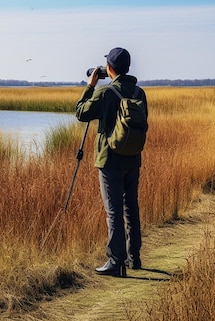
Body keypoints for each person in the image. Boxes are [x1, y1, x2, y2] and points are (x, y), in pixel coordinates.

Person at [75, 47, 147, 277]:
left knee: (113, 211)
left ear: (110, 68)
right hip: (133, 158)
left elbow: (81, 113)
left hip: (109, 160)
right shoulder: (139, 92)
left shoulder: (106, 93)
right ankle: (134, 257)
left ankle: (116, 262)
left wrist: (90, 86)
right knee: (131, 208)